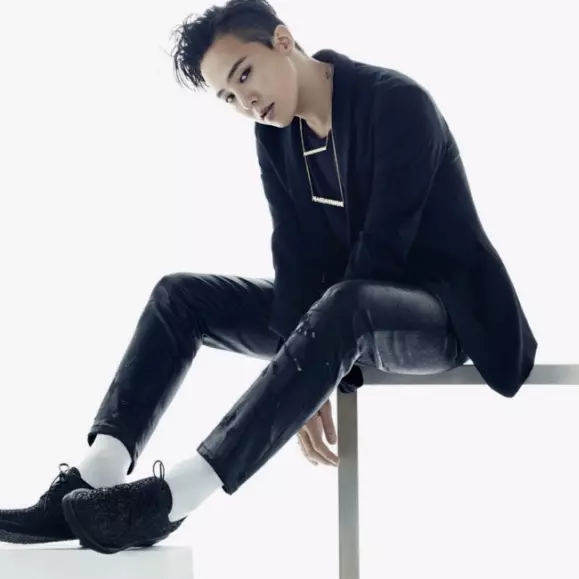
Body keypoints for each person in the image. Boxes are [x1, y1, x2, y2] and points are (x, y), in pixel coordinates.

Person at [0, 0, 537, 555]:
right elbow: (294, 253)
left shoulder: (397, 103)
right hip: (340, 317)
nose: (246, 102)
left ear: (282, 41)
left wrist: (310, 370)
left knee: (346, 302)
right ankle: (95, 475)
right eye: (229, 98)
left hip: (442, 313)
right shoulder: (276, 136)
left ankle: (172, 500)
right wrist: (300, 358)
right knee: (179, 295)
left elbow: (384, 247)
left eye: (244, 75)